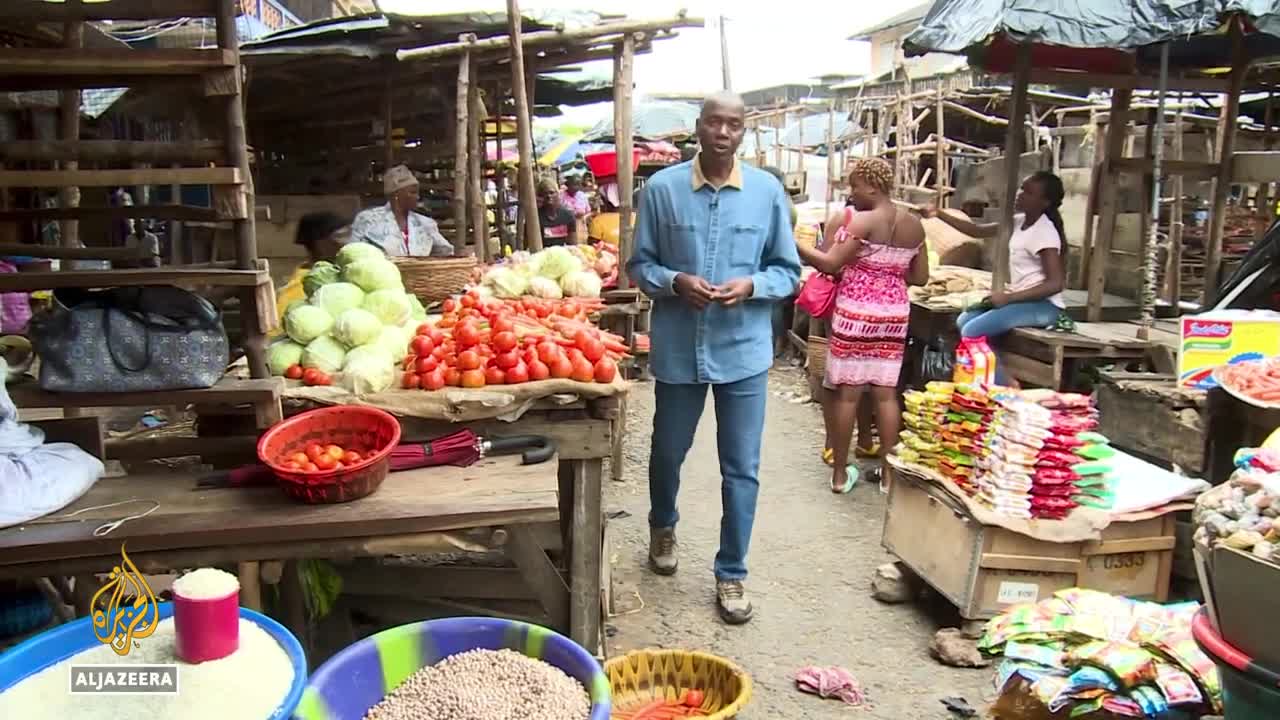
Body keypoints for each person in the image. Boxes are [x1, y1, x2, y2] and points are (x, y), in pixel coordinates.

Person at [627, 91, 801, 625]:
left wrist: (752, 284)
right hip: (680, 349)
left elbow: (788, 271)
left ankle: (732, 573)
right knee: (666, 451)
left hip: (744, 351)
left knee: (741, 469)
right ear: (697, 128)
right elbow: (638, 265)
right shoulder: (661, 189)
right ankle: (663, 525)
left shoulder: (768, 193)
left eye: (734, 124)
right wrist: (674, 281)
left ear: (743, 132)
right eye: (714, 122)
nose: (723, 132)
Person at [795, 158, 929, 494]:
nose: (852, 192)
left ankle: (840, 476)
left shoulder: (865, 221)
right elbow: (920, 276)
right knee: (886, 395)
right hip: (895, 313)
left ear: (872, 185)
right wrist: (890, 271)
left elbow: (829, 262)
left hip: (856, 312)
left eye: (855, 185)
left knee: (848, 395)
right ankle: (887, 477)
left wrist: (793, 244)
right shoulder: (915, 225)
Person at [919, 171, 1067, 384]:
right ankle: (997, 371)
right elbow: (976, 230)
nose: (1020, 194)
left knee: (972, 330)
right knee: (963, 320)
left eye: (1029, 192)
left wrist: (1008, 298)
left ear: (1044, 202)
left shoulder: (1045, 232)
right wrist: (938, 214)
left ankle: (1006, 384)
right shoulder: (1019, 222)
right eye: (1022, 188)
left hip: (1044, 306)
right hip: (1024, 300)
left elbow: (1055, 283)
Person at [350, 164, 453, 257]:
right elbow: (353, 252)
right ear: (396, 195)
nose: (417, 197)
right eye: (412, 192)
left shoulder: (425, 223)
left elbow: (445, 250)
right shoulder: (368, 220)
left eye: (417, 193)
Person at [274, 211, 350, 330]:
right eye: (341, 236)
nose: (349, 242)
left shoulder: (337, 275)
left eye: (349, 234)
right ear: (320, 244)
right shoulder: (299, 287)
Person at [537, 176, 579, 246]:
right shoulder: (535, 218)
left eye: (551, 193)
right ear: (540, 196)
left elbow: (573, 244)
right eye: (545, 193)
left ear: (557, 193)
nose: (548, 196)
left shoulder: (568, 216)